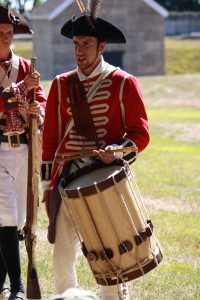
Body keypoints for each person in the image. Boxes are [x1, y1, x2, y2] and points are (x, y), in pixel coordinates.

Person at [41, 1, 149, 299]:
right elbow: (50, 141)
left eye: (86, 44)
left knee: (108, 258)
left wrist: (117, 151)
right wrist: (46, 186)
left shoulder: (123, 82)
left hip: (105, 182)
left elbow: (140, 133)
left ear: (102, 47)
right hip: (66, 182)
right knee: (62, 258)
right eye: (76, 44)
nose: (79, 51)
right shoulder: (63, 85)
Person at [0, 5, 46, 300]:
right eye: (0, 33)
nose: (5, 36)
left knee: (15, 221)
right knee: (5, 213)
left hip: (23, 148)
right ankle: (17, 286)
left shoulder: (25, 66)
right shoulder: (22, 77)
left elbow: (39, 96)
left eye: (8, 32)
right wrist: (19, 90)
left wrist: (37, 109)